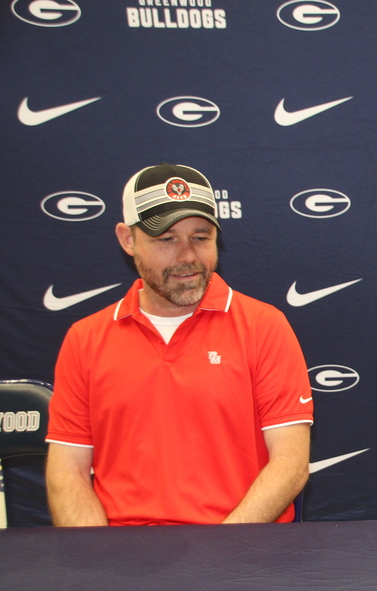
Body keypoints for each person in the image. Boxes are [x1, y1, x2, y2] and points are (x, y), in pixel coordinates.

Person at [45, 163, 313, 525]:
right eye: (166, 239)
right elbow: (68, 474)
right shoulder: (85, 338)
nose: (187, 256)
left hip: (240, 552)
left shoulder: (264, 326)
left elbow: (290, 464)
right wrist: (100, 559)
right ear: (127, 239)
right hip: (121, 558)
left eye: (200, 238)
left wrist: (220, 555)